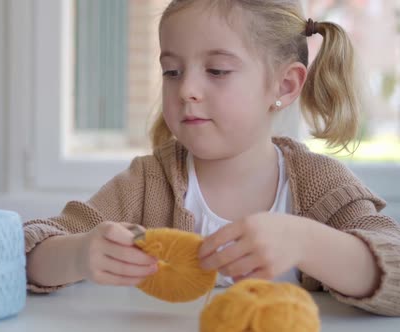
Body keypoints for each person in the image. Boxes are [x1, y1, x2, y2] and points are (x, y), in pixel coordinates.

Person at [23, 0, 400, 316]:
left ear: (284, 85)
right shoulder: (147, 182)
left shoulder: (321, 185)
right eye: (172, 71)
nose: (186, 89)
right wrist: (78, 254)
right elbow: (27, 251)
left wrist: (307, 243)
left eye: (217, 70)